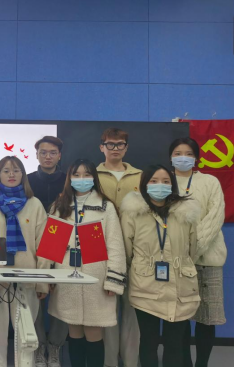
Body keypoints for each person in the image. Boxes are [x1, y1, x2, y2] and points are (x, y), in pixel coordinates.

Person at [48, 159, 127, 367]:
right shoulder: (59, 206)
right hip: (66, 277)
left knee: (94, 331)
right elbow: (51, 247)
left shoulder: (106, 207)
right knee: (73, 329)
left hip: (96, 278)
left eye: (86, 174)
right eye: (76, 175)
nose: (81, 179)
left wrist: (113, 280)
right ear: (69, 178)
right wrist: (48, 278)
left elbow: (115, 245)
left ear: (94, 178)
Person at [120, 165, 201, 367]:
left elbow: (192, 249)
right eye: (154, 181)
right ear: (144, 184)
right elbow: (127, 250)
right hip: (146, 285)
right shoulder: (133, 212)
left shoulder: (186, 212)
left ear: (172, 185)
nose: (160, 185)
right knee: (149, 341)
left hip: (180, 286)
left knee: (175, 343)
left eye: (166, 181)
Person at [0, 156, 50, 367]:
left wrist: (42, 282)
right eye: (6, 171)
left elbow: (44, 246)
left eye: (16, 170)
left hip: (28, 278)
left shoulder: (34, 204)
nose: (11, 175)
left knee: (25, 335)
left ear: (23, 175)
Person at [169, 139, 227, 367]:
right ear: (170, 157)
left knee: (206, 318)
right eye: (177, 153)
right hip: (175, 261)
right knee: (179, 318)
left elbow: (215, 217)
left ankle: (202, 363)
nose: (182, 157)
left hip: (207, 259)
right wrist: (180, 253)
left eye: (188, 153)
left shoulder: (210, 181)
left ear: (196, 157)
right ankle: (184, 362)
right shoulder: (163, 182)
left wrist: (192, 250)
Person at [97, 128, 142, 367]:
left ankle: (131, 361)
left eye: (120, 144)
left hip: (135, 253)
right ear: (101, 147)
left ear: (126, 147)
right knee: (108, 310)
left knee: (132, 309)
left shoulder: (141, 177)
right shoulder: (91, 175)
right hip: (102, 252)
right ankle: (109, 361)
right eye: (110, 144)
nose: (115, 148)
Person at [27, 136, 67, 367]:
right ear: (37, 155)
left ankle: (55, 346)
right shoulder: (27, 180)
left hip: (62, 242)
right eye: (43, 152)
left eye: (52, 152)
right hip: (32, 243)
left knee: (62, 296)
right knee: (36, 296)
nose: (48, 156)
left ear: (59, 155)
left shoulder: (69, 181)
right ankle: (39, 345)